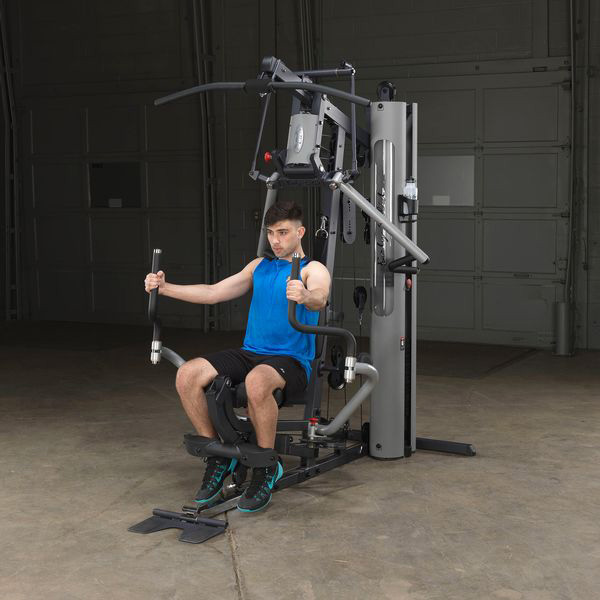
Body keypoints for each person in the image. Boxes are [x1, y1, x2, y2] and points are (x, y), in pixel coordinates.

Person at [144, 200, 331, 512]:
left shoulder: (312, 269)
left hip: (291, 360)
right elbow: (214, 292)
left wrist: (306, 295)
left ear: (300, 232)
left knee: (257, 382)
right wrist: (165, 288)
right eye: (271, 233)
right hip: (251, 353)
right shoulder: (258, 267)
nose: (275, 240)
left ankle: (266, 466)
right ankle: (217, 455)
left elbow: (321, 297)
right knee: (187, 374)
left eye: (283, 232)